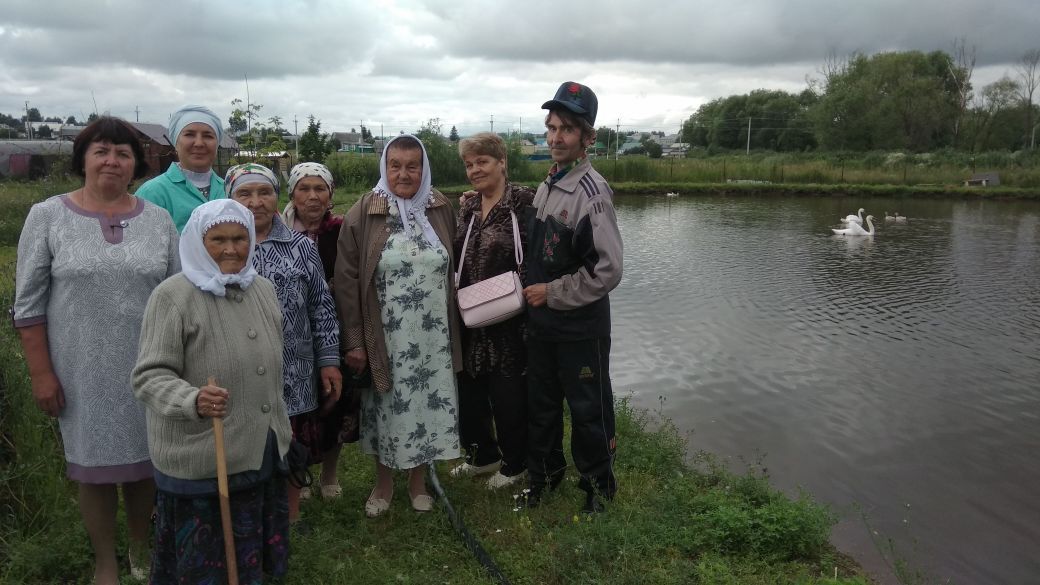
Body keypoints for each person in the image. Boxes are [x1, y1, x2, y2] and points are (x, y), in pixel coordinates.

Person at [12, 116, 180, 584]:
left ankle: (141, 551)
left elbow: (177, 295)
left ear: (135, 165)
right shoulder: (48, 216)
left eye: (123, 153)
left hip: (151, 366)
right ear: (83, 159)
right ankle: (105, 559)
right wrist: (42, 374)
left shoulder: (159, 220)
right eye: (101, 150)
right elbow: (27, 307)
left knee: (148, 464)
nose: (112, 160)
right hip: (80, 371)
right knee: (94, 471)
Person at [133, 199, 292, 583]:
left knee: (248, 556)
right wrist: (192, 400)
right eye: (218, 239)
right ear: (196, 241)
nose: (231, 248)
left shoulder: (262, 289)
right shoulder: (173, 297)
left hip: (258, 449)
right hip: (203, 457)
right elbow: (149, 376)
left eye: (240, 238)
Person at [333, 134, 462, 517]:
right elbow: (346, 279)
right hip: (385, 335)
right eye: (395, 165)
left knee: (427, 405)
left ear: (423, 168)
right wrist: (354, 341)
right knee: (386, 407)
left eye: (412, 165)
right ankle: (384, 484)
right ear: (384, 167)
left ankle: (419, 483)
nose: (403, 174)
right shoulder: (364, 212)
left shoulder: (440, 207)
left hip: (433, 336)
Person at [523, 82, 624, 514]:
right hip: (542, 325)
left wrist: (553, 292)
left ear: (588, 137)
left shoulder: (592, 194)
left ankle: (598, 490)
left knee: (588, 412)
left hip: (580, 328)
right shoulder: (549, 183)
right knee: (541, 405)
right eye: (551, 127)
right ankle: (544, 476)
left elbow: (608, 269)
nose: (555, 138)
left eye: (566, 129)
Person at [225, 163, 342, 524]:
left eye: (264, 192)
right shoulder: (217, 245)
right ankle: (250, 514)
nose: (256, 202)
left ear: (277, 197)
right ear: (229, 198)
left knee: (291, 440)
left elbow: (321, 306)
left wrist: (328, 360)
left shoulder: (300, 247)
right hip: (235, 368)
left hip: (293, 367)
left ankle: (289, 517)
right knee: (245, 441)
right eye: (245, 193)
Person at [450, 132, 535, 490]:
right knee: (470, 388)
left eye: (482, 162)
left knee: (508, 393)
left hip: (510, 316)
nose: (474, 170)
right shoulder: (469, 206)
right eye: (469, 164)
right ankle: (482, 455)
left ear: (502, 163)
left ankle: (516, 463)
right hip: (471, 312)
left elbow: (533, 254)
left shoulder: (524, 202)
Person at [282, 162, 361, 500]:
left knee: (335, 404)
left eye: (320, 189)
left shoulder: (343, 230)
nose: (312, 196)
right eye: (304, 188)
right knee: (297, 408)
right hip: (293, 334)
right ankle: (299, 477)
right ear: (292, 194)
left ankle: (330, 475)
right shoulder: (279, 231)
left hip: (336, 329)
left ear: (330, 194)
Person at [136, 104, 225, 232]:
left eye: (208, 136)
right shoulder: (153, 193)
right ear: (175, 143)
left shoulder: (228, 189)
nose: (199, 143)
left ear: (217, 144)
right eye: (189, 134)